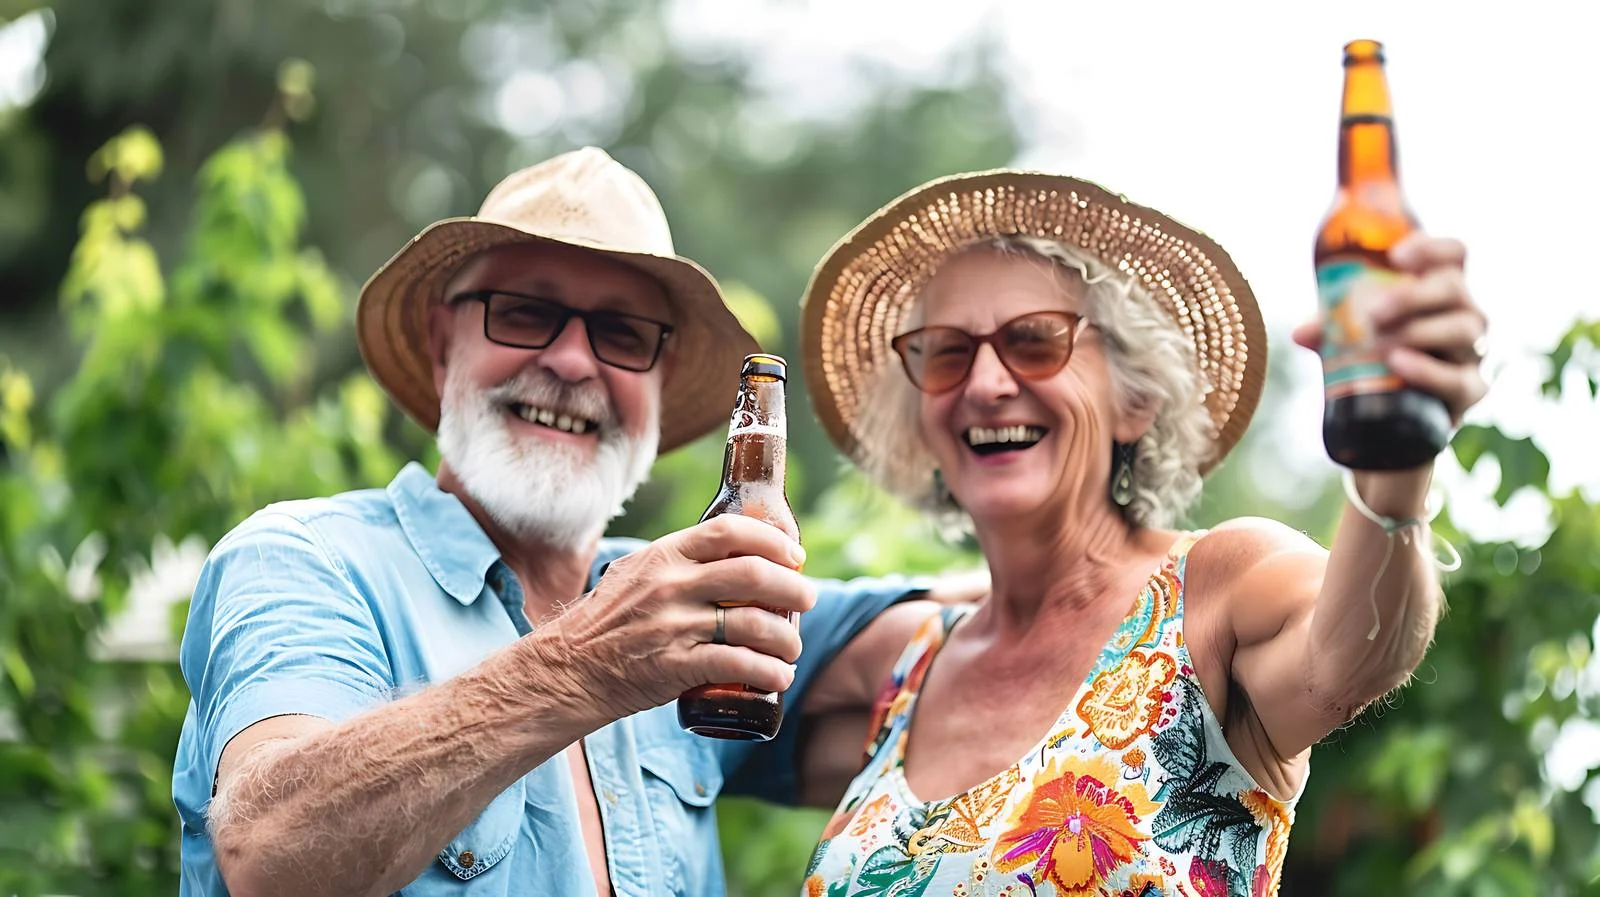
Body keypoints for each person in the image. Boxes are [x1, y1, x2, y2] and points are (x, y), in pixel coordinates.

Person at [171, 146, 946, 897]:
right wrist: (584, 665)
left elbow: (975, 639)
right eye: (526, 311)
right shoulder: (304, 559)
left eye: (622, 333)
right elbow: (270, 854)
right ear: (444, 346)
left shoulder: (678, 599)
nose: (574, 362)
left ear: (660, 379)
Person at [795, 168, 1488, 895]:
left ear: (1136, 400)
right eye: (946, 351)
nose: (986, 382)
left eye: (1034, 341)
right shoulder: (908, 666)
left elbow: (1356, 651)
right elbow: (700, 710)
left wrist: (1396, 465)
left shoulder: (1214, 588)